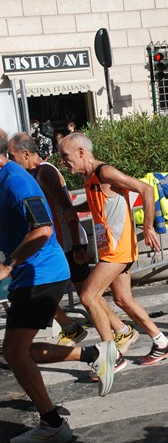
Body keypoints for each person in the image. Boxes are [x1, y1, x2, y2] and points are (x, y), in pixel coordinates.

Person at [0, 131, 117, 443]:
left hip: (41, 272)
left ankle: (52, 424)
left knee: (13, 352)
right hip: (33, 273)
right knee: (24, 352)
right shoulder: (5, 179)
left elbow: (43, 227)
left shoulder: (15, 180)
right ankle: (93, 353)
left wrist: (9, 263)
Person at [8, 133, 135, 365]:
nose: (10, 160)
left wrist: (77, 245)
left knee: (89, 294)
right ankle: (78, 327)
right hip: (61, 243)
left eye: (12, 156)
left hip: (69, 242)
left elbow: (68, 209)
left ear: (26, 154)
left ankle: (117, 335)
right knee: (83, 293)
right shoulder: (32, 173)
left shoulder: (45, 172)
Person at [59, 132, 168, 366]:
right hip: (111, 248)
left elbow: (146, 189)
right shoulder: (91, 177)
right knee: (123, 299)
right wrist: (77, 209)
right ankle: (162, 342)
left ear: (81, 152)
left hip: (118, 249)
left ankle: (111, 356)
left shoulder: (105, 172)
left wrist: (148, 227)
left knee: (88, 295)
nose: (63, 162)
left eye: (65, 156)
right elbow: (99, 202)